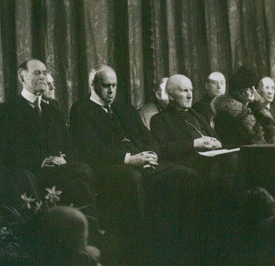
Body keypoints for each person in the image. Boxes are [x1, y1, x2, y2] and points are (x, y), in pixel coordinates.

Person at [68, 64, 199, 236]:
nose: (111, 91)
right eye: (106, 86)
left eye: (114, 86)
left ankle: (182, 236)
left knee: (186, 174)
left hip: (143, 161)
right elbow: (92, 149)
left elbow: (149, 138)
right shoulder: (81, 110)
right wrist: (129, 159)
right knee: (133, 179)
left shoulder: (125, 109)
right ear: (92, 84)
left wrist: (151, 156)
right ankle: (141, 240)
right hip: (111, 165)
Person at [0, 58, 96, 214]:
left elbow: (70, 146)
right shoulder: (7, 111)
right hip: (32, 171)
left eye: (45, 72)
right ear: (22, 78)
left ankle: (87, 226)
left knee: (82, 170)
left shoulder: (53, 111)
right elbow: (6, 150)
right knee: (79, 174)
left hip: (60, 168)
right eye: (37, 73)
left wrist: (64, 159)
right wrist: (41, 161)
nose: (43, 77)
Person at [150, 74, 223, 172]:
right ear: (171, 96)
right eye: (185, 91)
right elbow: (163, 149)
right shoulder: (160, 119)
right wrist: (194, 143)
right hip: (188, 164)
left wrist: (217, 143)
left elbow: (216, 139)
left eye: (191, 90)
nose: (190, 96)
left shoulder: (198, 115)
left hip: (213, 158)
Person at [213, 66, 275, 147]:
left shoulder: (257, 111)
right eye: (250, 88)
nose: (254, 91)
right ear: (239, 91)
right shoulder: (225, 116)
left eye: (254, 87)